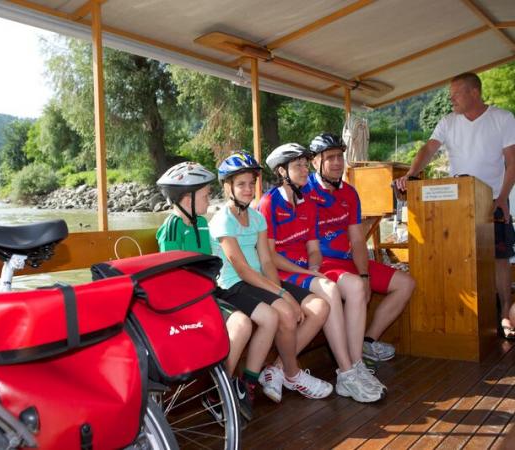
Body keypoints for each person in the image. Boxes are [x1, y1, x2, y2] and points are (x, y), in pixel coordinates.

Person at [258, 143, 385, 402]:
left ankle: (350, 368)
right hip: (282, 272)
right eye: (298, 166)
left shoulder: (306, 203)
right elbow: (270, 257)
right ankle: (347, 373)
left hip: (303, 270)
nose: (305, 170)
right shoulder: (269, 202)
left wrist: (314, 267)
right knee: (329, 289)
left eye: (306, 165)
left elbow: (313, 248)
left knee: (332, 289)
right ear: (282, 172)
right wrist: (309, 273)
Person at [395, 72, 515, 340]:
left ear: (474, 92)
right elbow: (428, 149)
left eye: (456, 94)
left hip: (494, 197)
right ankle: (468, 313)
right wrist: (412, 176)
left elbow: (512, 162)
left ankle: (505, 310)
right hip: (458, 202)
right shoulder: (448, 122)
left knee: (499, 257)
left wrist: (502, 198)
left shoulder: (503, 119)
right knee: (461, 255)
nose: (451, 100)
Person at [209, 151, 333, 404]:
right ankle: (290, 373)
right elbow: (242, 270)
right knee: (285, 312)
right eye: (240, 184)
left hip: (258, 279)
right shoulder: (223, 219)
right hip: (234, 285)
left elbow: (266, 261)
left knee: (320, 306)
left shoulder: (256, 217)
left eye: (250, 183)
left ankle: (275, 373)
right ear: (227, 187)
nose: (247, 189)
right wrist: (283, 295)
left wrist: (278, 289)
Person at [156, 161, 255, 422]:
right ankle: (220, 389)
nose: (209, 200)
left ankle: (220, 388)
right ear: (186, 198)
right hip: (187, 302)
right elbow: (169, 275)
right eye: (204, 195)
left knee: (243, 323)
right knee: (242, 324)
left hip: (209, 293)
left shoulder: (201, 221)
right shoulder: (172, 228)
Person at [305, 133, 415, 362]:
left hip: (349, 261)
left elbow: (357, 240)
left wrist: (365, 275)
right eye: (330, 157)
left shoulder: (349, 192)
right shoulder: (304, 192)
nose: (337, 162)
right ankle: (351, 363)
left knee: (405, 284)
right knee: (356, 287)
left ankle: (367, 342)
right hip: (322, 264)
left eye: (340, 157)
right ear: (315, 161)